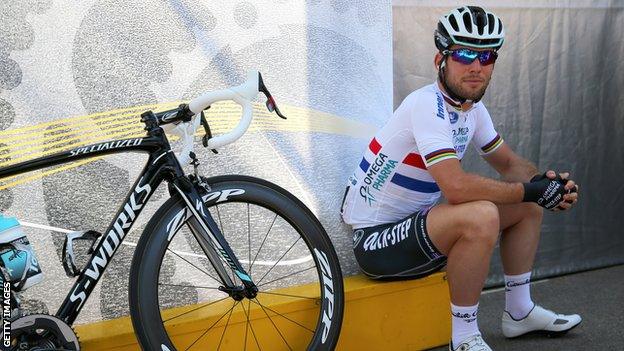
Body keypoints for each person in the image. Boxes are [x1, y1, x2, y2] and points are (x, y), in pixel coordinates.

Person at [340, 5, 581, 351]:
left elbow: (509, 162)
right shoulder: (426, 104)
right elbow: (454, 187)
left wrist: (549, 184)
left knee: (529, 206)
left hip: (416, 227)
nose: (475, 66)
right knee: (480, 214)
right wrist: (530, 190)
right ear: (441, 59)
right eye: (465, 54)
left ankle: (518, 312)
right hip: (375, 242)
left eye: (486, 56)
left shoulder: (472, 109)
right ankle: (464, 336)